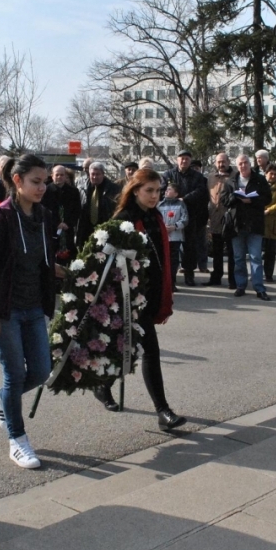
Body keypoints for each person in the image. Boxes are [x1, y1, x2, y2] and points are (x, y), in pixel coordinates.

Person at [0, 154, 61, 469]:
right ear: (17, 181)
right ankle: (18, 440)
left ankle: (1, 399)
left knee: (40, 371)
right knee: (15, 375)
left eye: (45, 182)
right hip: (5, 309)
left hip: (34, 305)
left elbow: (45, 260)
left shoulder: (45, 216)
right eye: (35, 182)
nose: (42, 188)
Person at [92, 168, 186, 431]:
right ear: (135, 191)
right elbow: (108, 261)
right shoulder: (125, 219)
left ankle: (103, 385)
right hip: (130, 298)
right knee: (149, 352)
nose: (155, 196)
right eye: (149, 191)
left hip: (152, 293)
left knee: (129, 351)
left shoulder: (155, 216)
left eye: (158, 190)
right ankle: (163, 412)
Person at [220, 154, 272, 301]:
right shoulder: (231, 181)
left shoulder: (260, 180)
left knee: (255, 257)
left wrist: (252, 201)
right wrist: (235, 197)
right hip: (236, 225)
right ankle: (241, 286)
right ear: (237, 166)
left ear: (250, 164)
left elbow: (268, 198)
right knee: (238, 258)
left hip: (254, 224)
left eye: (245, 163)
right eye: (240, 164)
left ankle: (259, 288)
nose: (243, 166)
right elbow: (224, 200)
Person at [161, 150, 208, 286]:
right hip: (170, 219)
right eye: (181, 158)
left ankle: (189, 274)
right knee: (172, 250)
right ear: (177, 160)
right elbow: (163, 190)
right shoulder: (168, 174)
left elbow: (200, 191)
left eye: (187, 159)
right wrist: (173, 198)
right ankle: (172, 278)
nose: (184, 161)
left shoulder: (197, 176)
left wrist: (184, 199)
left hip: (191, 216)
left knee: (190, 248)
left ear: (190, 161)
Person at [205, 153, 235, 288]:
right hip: (215, 219)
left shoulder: (235, 176)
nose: (221, 164)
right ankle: (216, 277)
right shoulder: (211, 177)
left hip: (230, 219)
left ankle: (233, 279)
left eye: (223, 161)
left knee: (231, 251)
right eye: (218, 162)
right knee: (217, 251)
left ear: (229, 162)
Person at [76, 161, 121, 247]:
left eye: (98, 174)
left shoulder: (114, 189)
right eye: (92, 174)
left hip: (105, 228)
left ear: (103, 174)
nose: (95, 177)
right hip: (85, 229)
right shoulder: (82, 188)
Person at [158, 182, 189, 291]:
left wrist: (175, 226)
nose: (166, 191)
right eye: (166, 189)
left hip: (175, 237)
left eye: (170, 189)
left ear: (176, 193)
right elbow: (156, 219)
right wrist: (162, 227)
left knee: (173, 261)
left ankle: (172, 283)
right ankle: (162, 283)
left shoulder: (181, 205)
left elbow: (185, 220)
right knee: (162, 260)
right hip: (162, 236)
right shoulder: (159, 205)